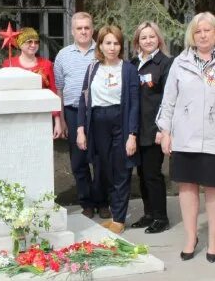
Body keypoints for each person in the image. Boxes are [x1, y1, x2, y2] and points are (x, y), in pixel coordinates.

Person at [157, 12, 215, 263]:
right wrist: (165, 132)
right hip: (185, 135)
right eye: (198, 31)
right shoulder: (180, 62)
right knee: (187, 188)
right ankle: (190, 237)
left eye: (208, 30)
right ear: (192, 35)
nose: (203, 35)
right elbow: (169, 100)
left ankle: (214, 241)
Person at [76, 24, 139, 234]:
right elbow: (84, 99)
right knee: (105, 169)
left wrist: (132, 134)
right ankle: (114, 214)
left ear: (120, 46)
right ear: (100, 45)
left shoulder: (128, 69)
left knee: (121, 170)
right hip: (97, 122)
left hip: (119, 121)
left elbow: (134, 104)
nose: (112, 47)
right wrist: (80, 129)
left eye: (116, 43)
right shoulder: (93, 67)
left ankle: (119, 219)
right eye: (108, 43)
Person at [54, 12, 109, 219]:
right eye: (79, 28)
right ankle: (86, 202)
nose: (83, 31)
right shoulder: (63, 55)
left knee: (100, 160)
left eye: (87, 28)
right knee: (79, 162)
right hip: (73, 111)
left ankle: (103, 202)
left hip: (98, 112)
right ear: (72, 31)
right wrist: (60, 118)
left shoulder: (102, 51)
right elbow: (59, 88)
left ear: (92, 29)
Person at [128, 21, 172, 234]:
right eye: (143, 37)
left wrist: (162, 129)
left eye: (152, 37)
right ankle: (148, 213)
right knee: (142, 174)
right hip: (136, 128)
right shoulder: (133, 63)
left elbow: (167, 98)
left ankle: (161, 217)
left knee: (153, 174)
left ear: (159, 39)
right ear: (138, 41)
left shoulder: (165, 63)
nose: (148, 41)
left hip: (154, 128)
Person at [2, 27, 61, 130]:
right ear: (20, 43)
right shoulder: (9, 64)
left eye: (36, 42)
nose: (33, 45)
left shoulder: (46, 64)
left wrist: (57, 120)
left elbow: (53, 92)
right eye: (29, 42)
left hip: (41, 116)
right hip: (15, 116)